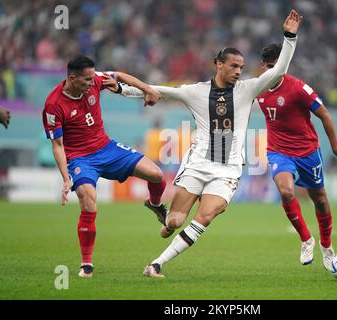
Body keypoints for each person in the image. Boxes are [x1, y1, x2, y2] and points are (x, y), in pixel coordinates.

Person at [119, 10, 302, 278]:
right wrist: (121, 89)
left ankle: (156, 264)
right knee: (175, 221)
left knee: (204, 216)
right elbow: (155, 90)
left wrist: (289, 37)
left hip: (227, 170)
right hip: (198, 163)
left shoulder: (248, 90)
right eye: (234, 66)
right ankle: (165, 216)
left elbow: (279, 71)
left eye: (241, 67)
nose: (239, 71)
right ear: (218, 63)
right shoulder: (195, 92)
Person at [42, 55, 169, 278]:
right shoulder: (53, 105)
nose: (94, 82)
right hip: (81, 159)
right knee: (88, 200)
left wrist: (147, 89)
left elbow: (118, 75)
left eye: (94, 77)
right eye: (88, 79)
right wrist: (65, 178)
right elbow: (58, 145)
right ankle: (86, 264)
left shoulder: (95, 80)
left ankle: (155, 204)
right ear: (72, 78)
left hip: (107, 148)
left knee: (157, 174)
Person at [256, 43, 337, 271]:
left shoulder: (298, 88)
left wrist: (336, 147)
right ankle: (306, 239)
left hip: (307, 150)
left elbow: (325, 115)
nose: (274, 72)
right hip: (278, 150)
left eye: (278, 66)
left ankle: (327, 246)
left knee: (319, 199)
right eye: (270, 67)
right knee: (286, 191)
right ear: (263, 66)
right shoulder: (257, 89)